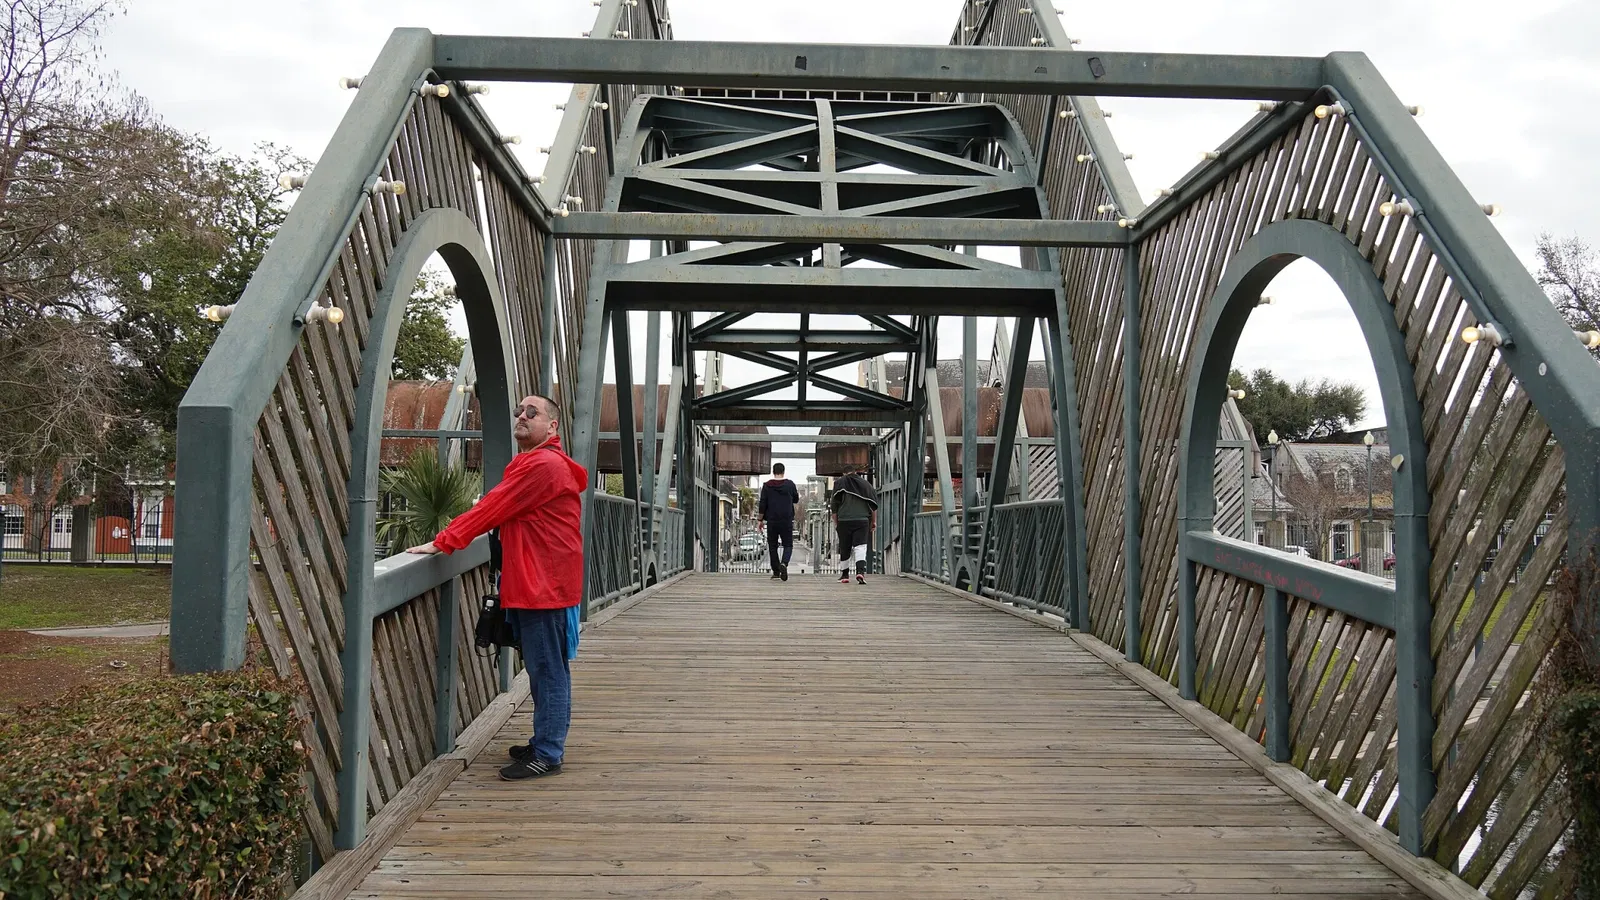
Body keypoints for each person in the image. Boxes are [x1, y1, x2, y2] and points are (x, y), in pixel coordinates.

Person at [407, 394, 587, 782]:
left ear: (551, 427)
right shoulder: (535, 462)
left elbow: (493, 506)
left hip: (544, 586)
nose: (521, 415)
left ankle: (548, 751)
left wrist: (445, 540)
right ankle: (545, 740)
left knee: (548, 670)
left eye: (532, 412)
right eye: (518, 411)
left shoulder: (542, 465)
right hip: (540, 581)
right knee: (544, 668)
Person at [829, 464, 878, 585]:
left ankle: (845, 575)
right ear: (855, 472)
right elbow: (873, 506)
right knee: (860, 547)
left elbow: (834, 507)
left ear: (844, 474)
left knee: (845, 547)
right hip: (862, 520)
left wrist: (836, 523)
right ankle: (860, 572)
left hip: (844, 520)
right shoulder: (866, 485)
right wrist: (873, 521)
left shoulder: (839, 483)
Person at [758, 462, 800, 581]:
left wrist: (760, 520)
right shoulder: (790, 484)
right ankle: (784, 563)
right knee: (788, 544)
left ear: (773, 472)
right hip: (786, 519)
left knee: (772, 545)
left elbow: (762, 504)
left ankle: (776, 571)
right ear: (783, 471)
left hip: (772, 520)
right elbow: (796, 499)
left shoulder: (766, 486)